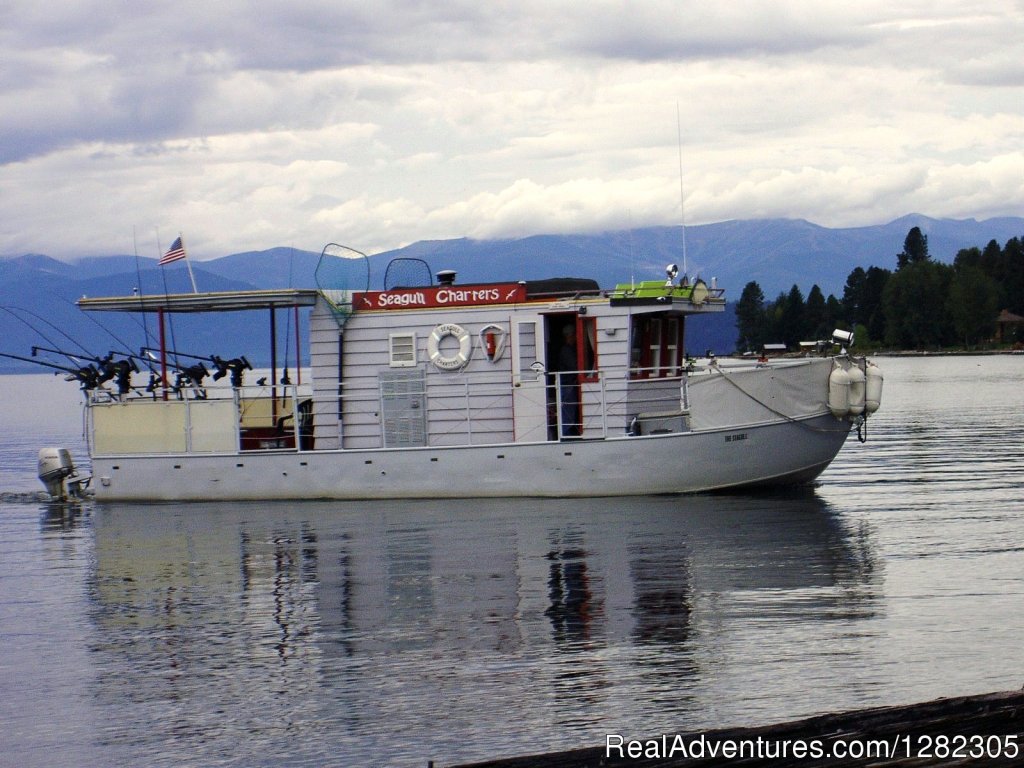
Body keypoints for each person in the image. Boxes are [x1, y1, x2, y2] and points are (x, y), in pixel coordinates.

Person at [557, 324, 580, 437]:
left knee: (568, 411)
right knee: (568, 412)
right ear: (570, 335)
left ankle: (567, 433)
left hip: (567, 385)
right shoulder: (566, 350)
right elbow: (574, 366)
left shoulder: (566, 349)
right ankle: (566, 435)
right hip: (567, 386)